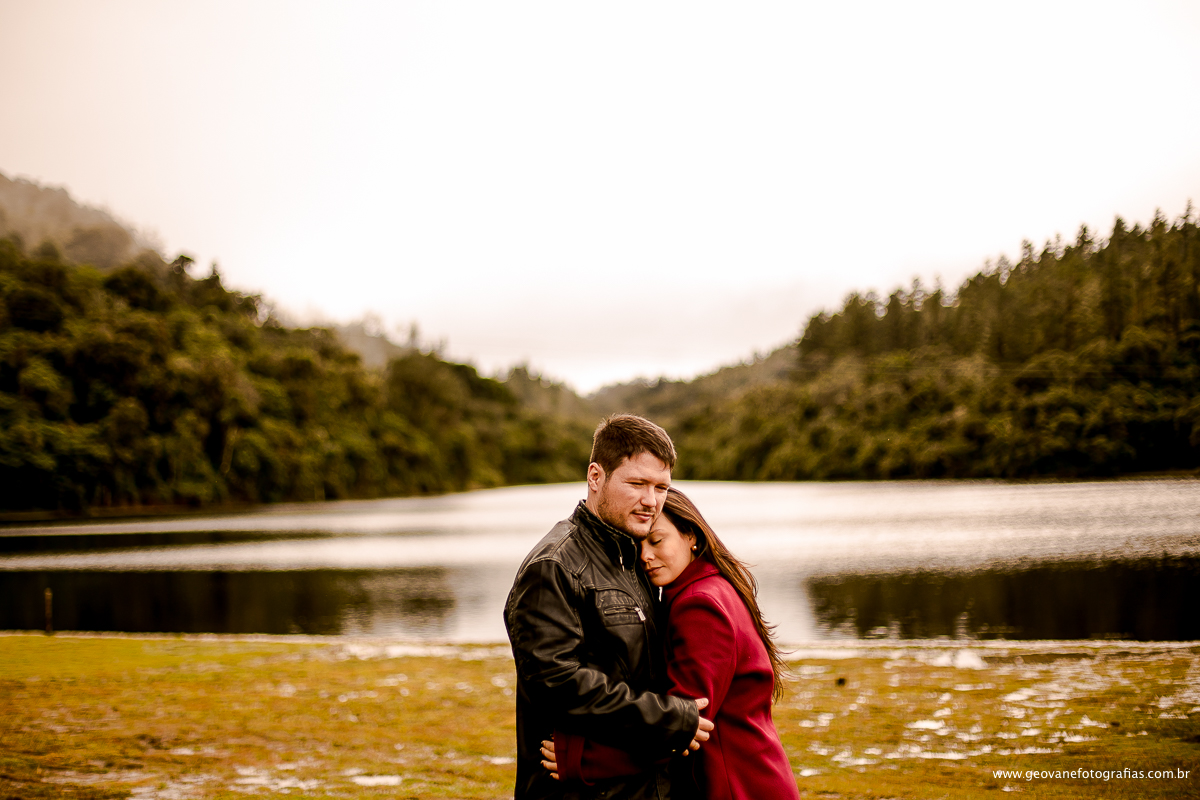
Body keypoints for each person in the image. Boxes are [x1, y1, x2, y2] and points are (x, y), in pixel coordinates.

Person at [504, 414, 715, 800]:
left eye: (661, 487)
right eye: (637, 484)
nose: (651, 501)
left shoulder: (634, 555)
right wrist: (668, 719)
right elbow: (558, 685)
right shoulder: (553, 566)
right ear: (596, 477)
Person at [540, 488, 800, 800]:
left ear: (691, 535)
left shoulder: (699, 606)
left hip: (736, 784)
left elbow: (686, 724)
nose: (646, 556)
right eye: (638, 545)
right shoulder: (707, 585)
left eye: (657, 540)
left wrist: (584, 761)